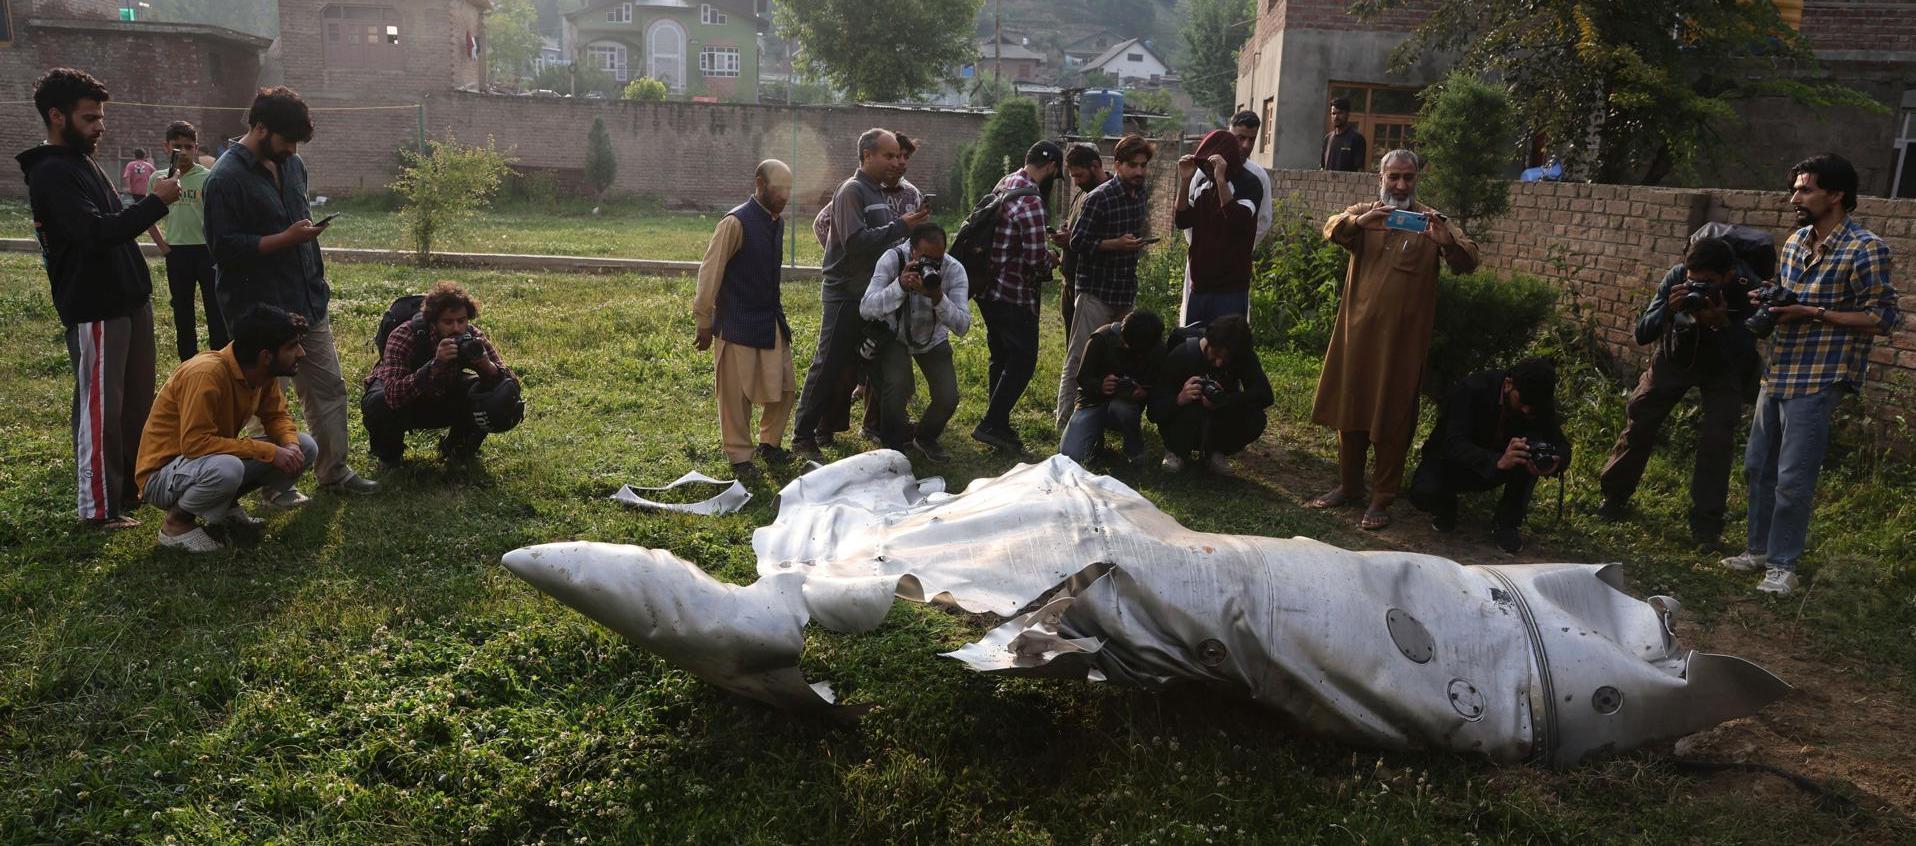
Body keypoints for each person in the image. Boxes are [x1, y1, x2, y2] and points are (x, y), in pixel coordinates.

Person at [1721, 153, 1899, 596]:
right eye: (1795, 188)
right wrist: (1771, 301)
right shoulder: (1796, 240)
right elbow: (1787, 300)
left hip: (1820, 376)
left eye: (1805, 189)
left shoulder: (1866, 248)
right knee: (1757, 467)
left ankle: (1783, 565)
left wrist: (1813, 312)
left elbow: (1882, 318)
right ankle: (1758, 551)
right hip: (1778, 370)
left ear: (1835, 196)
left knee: (1792, 477)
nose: (1795, 197)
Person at [19, 67, 181, 529]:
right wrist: (156, 203)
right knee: (100, 410)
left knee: (135, 405)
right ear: (56, 116)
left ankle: (128, 490)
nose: (100, 125)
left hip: (128, 300)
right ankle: (98, 508)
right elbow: (94, 233)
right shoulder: (50, 172)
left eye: (100, 116)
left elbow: (111, 225)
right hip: (95, 307)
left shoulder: (81, 162)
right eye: (90, 117)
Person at [204, 85, 379, 499]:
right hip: (260, 312)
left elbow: (293, 222)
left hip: (307, 300)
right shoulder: (225, 178)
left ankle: (333, 472)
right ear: (260, 127)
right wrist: (285, 238)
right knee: (267, 401)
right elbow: (224, 249)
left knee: (328, 387)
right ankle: (274, 485)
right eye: (286, 140)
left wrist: (304, 240)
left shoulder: (293, 164)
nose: (291, 149)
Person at [1308, 149, 1480, 531]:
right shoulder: (1368, 213)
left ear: (1417, 178)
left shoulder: (1433, 221)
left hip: (1402, 345)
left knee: (1393, 416)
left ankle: (1382, 497)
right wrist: (1359, 220)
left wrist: (1446, 242)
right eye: (1394, 177)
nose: (1400, 185)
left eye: (1408, 178)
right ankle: (1349, 487)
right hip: (1356, 336)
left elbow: (1469, 259)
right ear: (1380, 178)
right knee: (1350, 408)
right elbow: (1332, 227)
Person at [1597, 237, 1760, 547]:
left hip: (1724, 365)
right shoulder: (1675, 278)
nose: (1698, 288)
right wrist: (1669, 312)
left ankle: (1706, 526)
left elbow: (1747, 348)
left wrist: (1722, 322)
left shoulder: (1745, 285)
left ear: (1727, 274)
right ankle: (1614, 497)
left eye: (1708, 283)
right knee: (1640, 419)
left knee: (1717, 439)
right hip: (1676, 357)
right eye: (1692, 281)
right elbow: (1643, 332)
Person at [791, 128, 929, 461]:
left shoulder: (877, 193)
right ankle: (802, 437)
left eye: (899, 156)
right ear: (868, 156)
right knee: (829, 365)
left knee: (880, 366)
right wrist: (901, 227)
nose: (897, 162)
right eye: (889, 155)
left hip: (872, 295)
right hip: (845, 295)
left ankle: (891, 432)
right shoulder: (852, 191)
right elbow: (854, 243)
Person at [135, 305, 319, 553]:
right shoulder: (206, 373)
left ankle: (226, 508)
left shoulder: (263, 374)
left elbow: (276, 415)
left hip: (201, 462)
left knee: (305, 446)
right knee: (228, 467)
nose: (301, 352)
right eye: (292, 346)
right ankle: (176, 525)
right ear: (266, 356)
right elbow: (195, 444)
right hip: (161, 475)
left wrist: (289, 444)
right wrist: (270, 452)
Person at [694, 160, 797, 477]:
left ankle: (769, 443)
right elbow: (711, 271)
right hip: (736, 321)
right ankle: (740, 457)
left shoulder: (776, 222)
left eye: (788, 189)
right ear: (760, 184)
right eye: (779, 188)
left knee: (785, 387)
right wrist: (704, 318)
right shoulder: (734, 223)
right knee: (735, 396)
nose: (784, 195)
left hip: (769, 319)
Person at [1408, 358, 1571, 554]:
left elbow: (1562, 444)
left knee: (1526, 454)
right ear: (1509, 384)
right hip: (1453, 462)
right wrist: (1497, 461)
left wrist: (1557, 461)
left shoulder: (1538, 402)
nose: (1527, 410)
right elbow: (1453, 443)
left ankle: (1507, 523)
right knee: (1423, 493)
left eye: (1533, 406)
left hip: (1501, 466)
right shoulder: (1472, 389)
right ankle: (1446, 504)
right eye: (1524, 401)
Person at [363, 281, 521, 468]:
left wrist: (486, 366)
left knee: (497, 392)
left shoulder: (472, 336)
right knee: (379, 402)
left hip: (444, 395)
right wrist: (434, 366)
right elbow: (392, 396)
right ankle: (389, 455)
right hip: (409, 401)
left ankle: (458, 447)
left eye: (461, 321)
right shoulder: (405, 335)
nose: (456, 328)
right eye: (448, 322)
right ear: (433, 321)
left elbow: (511, 386)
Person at [1054, 134, 1153, 431]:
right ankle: (1065, 423)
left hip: (1124, 287)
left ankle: (1108, 420)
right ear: (1117, 165)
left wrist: (1133, 244)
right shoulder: (1099, 197)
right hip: (1096, 289)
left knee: (1121, 358)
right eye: (1133, 165)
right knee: (1079, 356)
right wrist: (1115, 244)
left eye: (1143, 165)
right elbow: (1079, 241)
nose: (1139, 171)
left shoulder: (1141, 193)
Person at [971, 140, 1064, 455]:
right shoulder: (1032, 200)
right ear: (1051, 167)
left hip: (987, 289)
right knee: (1023, 360)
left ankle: (998, 421)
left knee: (1001, 356)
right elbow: (1036, 259)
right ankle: (992, 423)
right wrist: (1053, 257)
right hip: (1013, 293)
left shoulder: (1006, 182)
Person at [860, 222, 971, 462]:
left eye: (937, 259)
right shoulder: (891, 260)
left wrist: (937, 297)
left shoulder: (954, 270)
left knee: (948, 396)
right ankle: (893, 448)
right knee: (896, 385)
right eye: (925, 259)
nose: (932, 266)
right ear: (912, 251)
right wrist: (899, 286)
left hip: (932, 338)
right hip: (895, 336)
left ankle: (925, 436)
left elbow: (962, 325)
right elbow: (866, 308)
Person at [1149, 314, 1272, 474]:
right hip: (1184, 420)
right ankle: (1176, 451)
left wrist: (1226, 400)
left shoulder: (1241, 355)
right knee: (1189, 408)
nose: (1219, 363)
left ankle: (1217, 451)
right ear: (1208, 341)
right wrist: (1179, 399)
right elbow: (1153, 411)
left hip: (1219, 418)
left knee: (1256, 418)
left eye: (1226, 358)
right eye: (1215, 355)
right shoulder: (1182, 355)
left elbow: (1265, 395)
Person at [1174, 130, 1263, 325]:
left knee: (1225, 347)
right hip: (1200, 285)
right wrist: (1186, 180)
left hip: (1230, 287)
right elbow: (1181, 220)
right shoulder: (1203, 184)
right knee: (1196, 344)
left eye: (1211, 164)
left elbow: (1236, 219)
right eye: (1204, 164)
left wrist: (1221, 180)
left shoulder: (1249, 183)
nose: (1207, 169)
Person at [156, 120, 228, 361]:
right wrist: (163, 247)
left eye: (189, 146)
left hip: (206, 252)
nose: (184, 152)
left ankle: (219, 361)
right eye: (178, 146)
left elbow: (220, 216)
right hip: (176, 253)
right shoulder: (159, 179)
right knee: (182, 311)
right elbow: (146, 214)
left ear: (196, 148)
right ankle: (187, 364)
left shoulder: (209, 178)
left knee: (215, 309)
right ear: (167, 147)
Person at [1060, 309, 1164, 466]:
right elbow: (1083, 377)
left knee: (1123, 409)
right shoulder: (1101, 338)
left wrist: (1144, 393)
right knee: (1071, 454)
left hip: (1126, 405)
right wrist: (1100, 386)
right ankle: (1095, 439)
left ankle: (1134, 450)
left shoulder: (1156, 349)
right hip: (1092, 401)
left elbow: (1159, 386)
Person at [1053, 142, 1110, 341]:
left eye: (1079, 175)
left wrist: (1072, 240)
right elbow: (1075, 229)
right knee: (1072, 344)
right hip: (1069, 280)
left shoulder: (1109, 196)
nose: (1076, 182)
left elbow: (1109, 242)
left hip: (1092, 288)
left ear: (1095, 166)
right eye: (1073, 176)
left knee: (1087, 347)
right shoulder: (1081, 193)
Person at [1322, 97, 1366, 172]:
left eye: (1340, 113)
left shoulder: (1357, 138)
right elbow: (1323, 167)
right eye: (1333, 113)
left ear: (1347, 114)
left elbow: (1360, 170)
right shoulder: (1328, 139)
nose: (1336, 117)